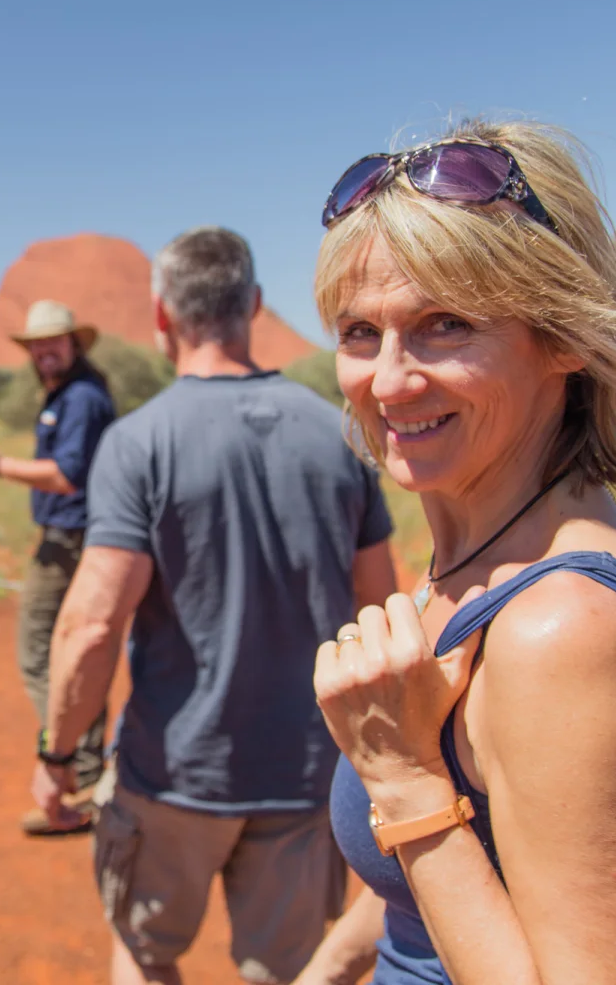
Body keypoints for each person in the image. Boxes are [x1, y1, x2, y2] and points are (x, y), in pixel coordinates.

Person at [305, 118, 616, 985]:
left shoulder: (558, 630)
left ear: (564, 338)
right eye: (359, 332)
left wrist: (402, 781)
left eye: (445, 324)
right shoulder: (483, 548)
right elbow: (464, 869)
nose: (390, 380)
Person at [30, 226, 400, 985]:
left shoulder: (139, 445)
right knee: (286, 969)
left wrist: (58, 754)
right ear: (255, 305)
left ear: (161, 316)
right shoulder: (342, 437)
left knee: (143, 951)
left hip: (173, 775)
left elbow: (94, 622)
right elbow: (380, 606)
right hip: (306, 776)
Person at [0, 299, 117, 836]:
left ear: (74, 344)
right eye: (36, 344)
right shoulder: (68, 394)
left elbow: (66, 476)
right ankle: (86, 769)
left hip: (72, 542)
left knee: (40, 652)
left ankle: (75, 765)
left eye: (53, 342)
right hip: (70, 538)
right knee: (76, 650)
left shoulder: (79, 398)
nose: (44, 352)